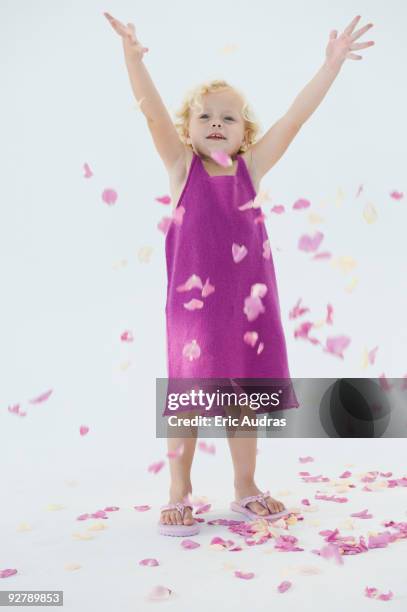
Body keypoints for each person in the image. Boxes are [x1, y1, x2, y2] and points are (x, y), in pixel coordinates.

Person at [104, 12, 375, 536]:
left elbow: (294, 119)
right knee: (185, 399)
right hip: (194, 314)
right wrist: (134, 62)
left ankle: (244, 487)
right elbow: (154, 117)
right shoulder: (183, 170)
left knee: (243, 398)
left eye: (228, 119)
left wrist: (332, 65)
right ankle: (178, 489)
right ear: (189, 128)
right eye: (205, 117)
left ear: (244, 131)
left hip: (248, 309)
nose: (215, 125)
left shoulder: (252, 167)